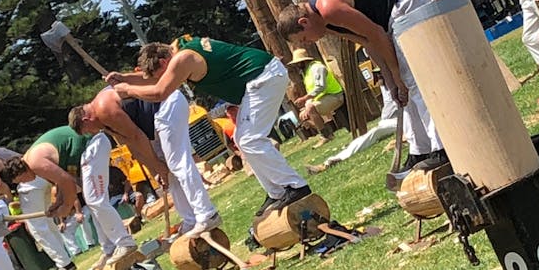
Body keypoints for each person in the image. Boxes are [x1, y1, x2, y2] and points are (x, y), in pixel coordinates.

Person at [108, 38, 311, 218]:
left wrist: (128, 89)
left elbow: (159, 91)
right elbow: (154, 79)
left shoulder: (183, 58)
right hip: (259, 79)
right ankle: (276, 192)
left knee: (251, 139)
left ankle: (295, 186)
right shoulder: (178, 51)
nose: (162, 77)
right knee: (242, 139)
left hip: (263, 77)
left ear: (163, 62)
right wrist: (125, 78)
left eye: (160, 73)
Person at [276, 0, 445, 170]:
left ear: (303, 23)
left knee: (411, 81)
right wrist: (389, 79)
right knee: (401, 91)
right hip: (387, 21)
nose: (311, 42)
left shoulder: (329, 9)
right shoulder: (324, 23)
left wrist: (397, 74)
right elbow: (367, 42)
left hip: (406, 1)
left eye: (304, 39)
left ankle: (441, 147)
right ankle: (421, 149)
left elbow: (377, 34)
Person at [71, 81, 222, 237]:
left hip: (167, 107)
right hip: (154, 122)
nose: (94, 133)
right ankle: (190, 219)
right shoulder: (103, 121)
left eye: (89, 131)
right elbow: (131, 145)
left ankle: (207, 213)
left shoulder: (103, 109)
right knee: (168, 174)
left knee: (178, 164)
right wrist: (154, 169)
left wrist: (157, 164)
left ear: (86, 120)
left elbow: (137, 136)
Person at [2, 126, 89, 270]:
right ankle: (64, 259)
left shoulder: (31, 165)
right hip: (49, 175)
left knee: (38, 227)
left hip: (37, 183)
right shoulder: (31, 161)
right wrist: (57, 203)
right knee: (48, 223)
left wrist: (66, 205)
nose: (18, 183)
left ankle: (63, 262)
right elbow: (59, 183)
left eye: (18, 181)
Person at [69, 121, 139, 267]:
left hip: (95, 146)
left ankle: (124, 242)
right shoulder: (71, 148)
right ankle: (108, 249)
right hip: (88, 152)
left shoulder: (85, 141)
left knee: (97, 202)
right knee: (93, 205)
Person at [307, 81, 399, 175]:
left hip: (401, 120)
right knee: (367, 136)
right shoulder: (386, 83)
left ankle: (333, 160)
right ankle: (331, 160)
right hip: (387, 120)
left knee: (375, 132)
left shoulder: (400, 80)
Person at [288, 48, 345, 145]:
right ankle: (326, 132)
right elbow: (312, 93)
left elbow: (321, 87)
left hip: (335, 96)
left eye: (298, 63)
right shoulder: (307, 72)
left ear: (304, 61)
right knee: (304, 113)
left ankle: (326, 136)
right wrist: (306, 106)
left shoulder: (317, 68)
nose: (297, 66)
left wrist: (305, 100)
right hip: (324, 98)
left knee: (310, 108)